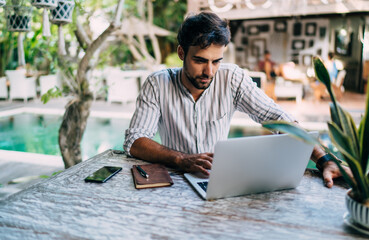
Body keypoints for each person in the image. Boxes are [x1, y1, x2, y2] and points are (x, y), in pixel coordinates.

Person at [124, 12, 351, 188]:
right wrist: (182, 159)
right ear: (181, 53)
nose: (209, 71)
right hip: (172, 183)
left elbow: (278, 119)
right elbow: (135, 140)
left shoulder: (232, 78)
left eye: (216, 61)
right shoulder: (158, 83)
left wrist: (323, 159)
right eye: (200, 60)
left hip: (218, 183)